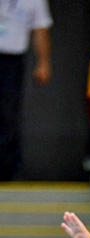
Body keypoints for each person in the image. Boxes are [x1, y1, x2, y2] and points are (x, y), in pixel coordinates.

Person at [0, 0, 52, 181]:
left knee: (8, 112)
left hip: (12, 59)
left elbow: (40, 31)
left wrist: (43, 62)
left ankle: (6, 168)